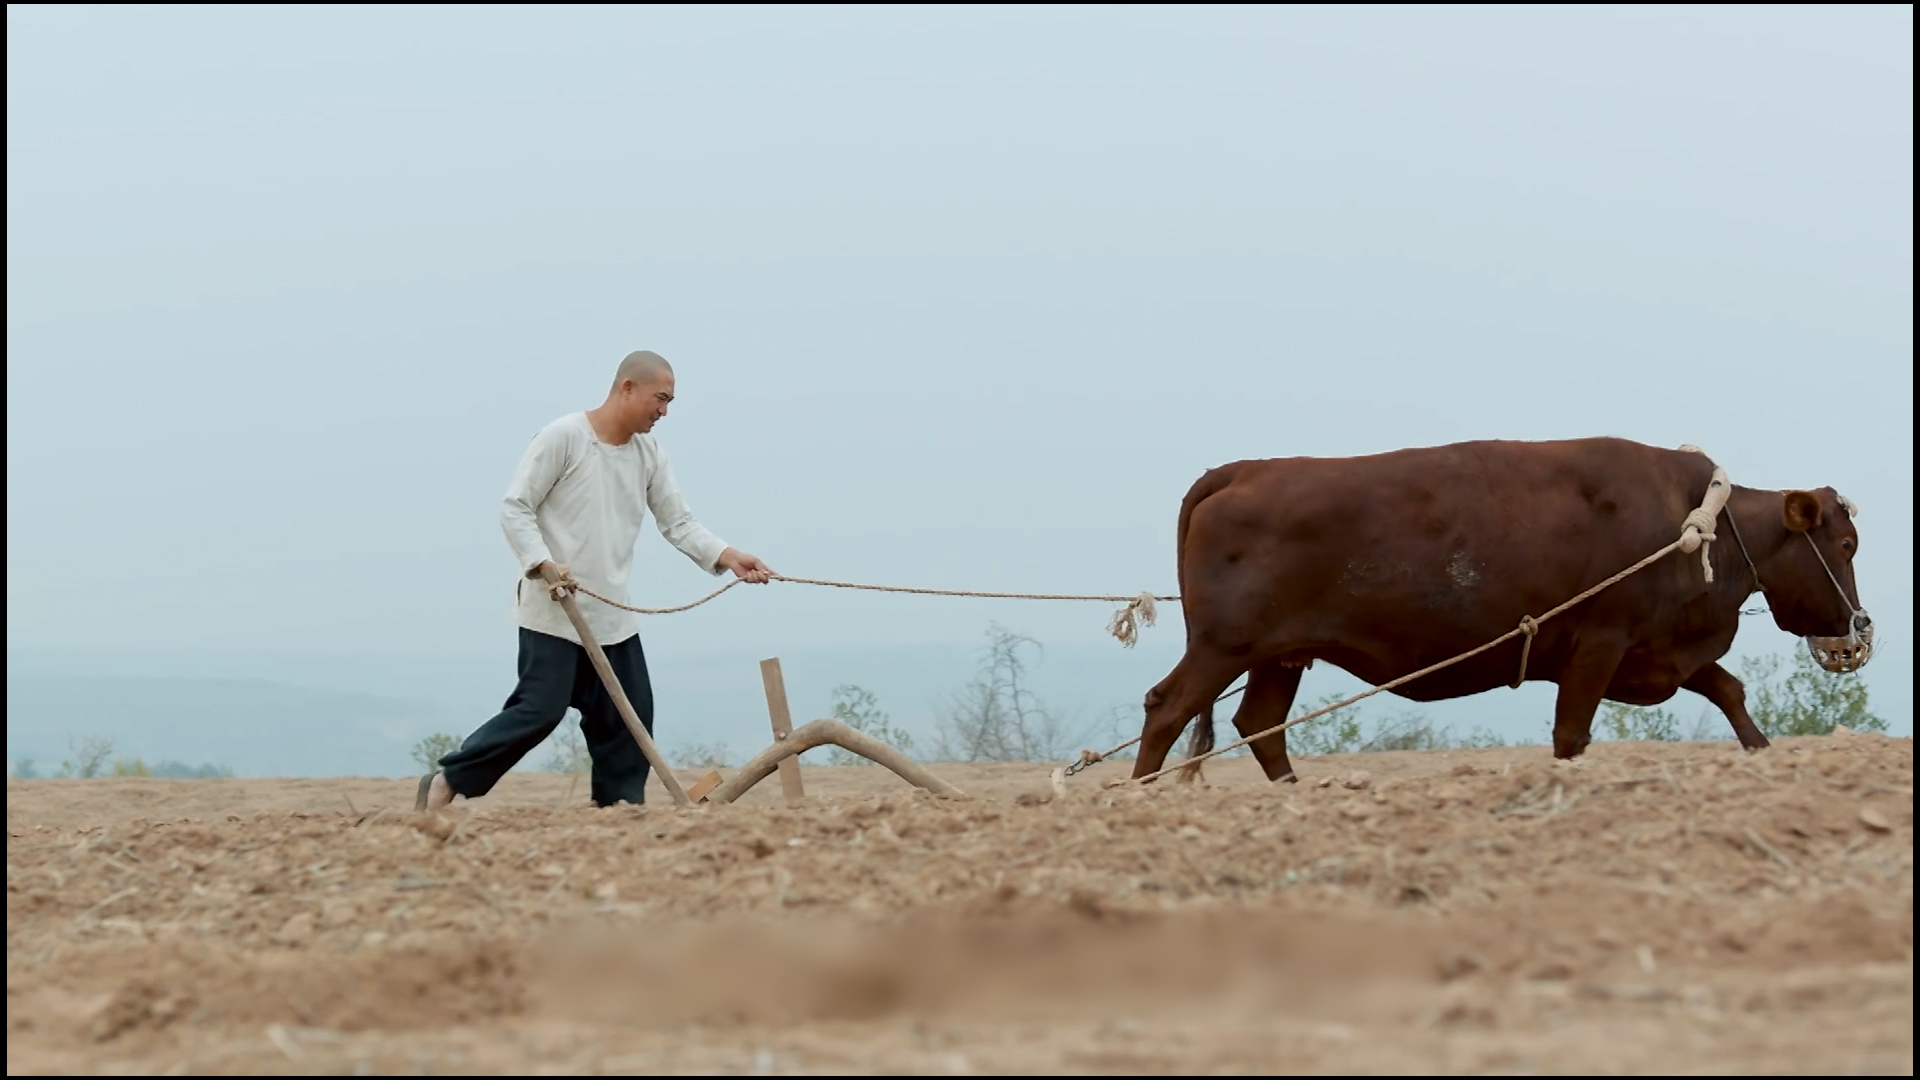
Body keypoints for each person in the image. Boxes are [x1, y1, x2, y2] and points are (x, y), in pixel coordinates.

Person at [416, 350, 772, 811]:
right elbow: (516, 507)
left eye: (669, 403)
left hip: (612, 617)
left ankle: (619, 813)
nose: (664, 411)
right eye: (659, 398)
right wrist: (542, 563)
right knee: (537, 712)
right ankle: (446, 782)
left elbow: (678, 522)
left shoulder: (649, 454)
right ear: (627, 387)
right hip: (554, 613)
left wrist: (729, 556)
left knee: (629, 720)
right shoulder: (564, 438)